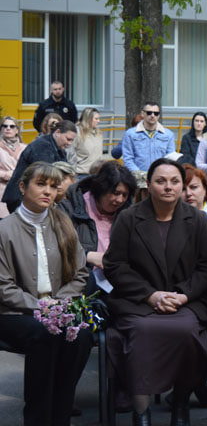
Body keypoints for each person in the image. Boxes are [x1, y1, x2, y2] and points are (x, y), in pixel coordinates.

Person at [103, 158, 207, 426]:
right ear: (148, 184)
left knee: (189, 332)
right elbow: (115, 265)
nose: (168, 186)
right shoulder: (129, 218)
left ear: (182, 186)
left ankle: (180, 402)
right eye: (161, 181)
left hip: (185, 302)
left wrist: (182, 295)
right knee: (142, 331)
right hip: (139, 302)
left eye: (175, 181)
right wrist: (150, 295)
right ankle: (141, 417)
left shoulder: (197, 219)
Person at [0, 163, 92, 426]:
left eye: (53, 186)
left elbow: (80, 275)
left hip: (59, 304)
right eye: (41, 184)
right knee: (44, 334)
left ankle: (57, 416)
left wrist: (61, 303)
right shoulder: (4, 230)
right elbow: (3, 287)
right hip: (15, 311)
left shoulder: (63, 224)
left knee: (83, 333)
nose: (48, 191)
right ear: (23, 187)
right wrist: (39, 307)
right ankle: (36, 422)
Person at [59, 161, 136, 291]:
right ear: (101, 189)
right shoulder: (69, 209)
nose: (120, 200)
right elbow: (56, 249)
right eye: (115, 193)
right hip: (81, 282)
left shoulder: (128, 213)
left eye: (125, 195)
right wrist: (88, 256)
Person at [3, 120, 77, 213]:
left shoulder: (57, 148)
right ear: (57, 132)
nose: (69, 143)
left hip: (28, 196)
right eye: (68, 139)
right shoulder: (42, 146)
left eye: (72, 141)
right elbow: (44, 176)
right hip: (21, 198)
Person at [122, 102, 175, 173]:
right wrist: (139, 174)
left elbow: (170, 159)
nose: (153, 115)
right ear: (142, 114)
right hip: (137, 178)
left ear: (159, 115)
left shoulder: (168, 134)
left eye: (156, 113)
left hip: (161, 177)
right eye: (149, 113)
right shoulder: (130, 134)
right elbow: (128, 159)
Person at [0, 116, 27, 218]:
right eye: (5, 126)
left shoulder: (25, 147)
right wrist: (6, 174)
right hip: (3, 191)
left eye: (12, 126)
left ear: (17, 130)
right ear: (1, 129)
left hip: (21, 190)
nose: (8, 128)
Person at [69, 107, 104, 177]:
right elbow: (70, 153)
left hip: (97, 174)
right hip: (81, 173)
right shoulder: (77, 133)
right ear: (88, 119)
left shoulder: (99, 133)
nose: (99, 121)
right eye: (96, 119)